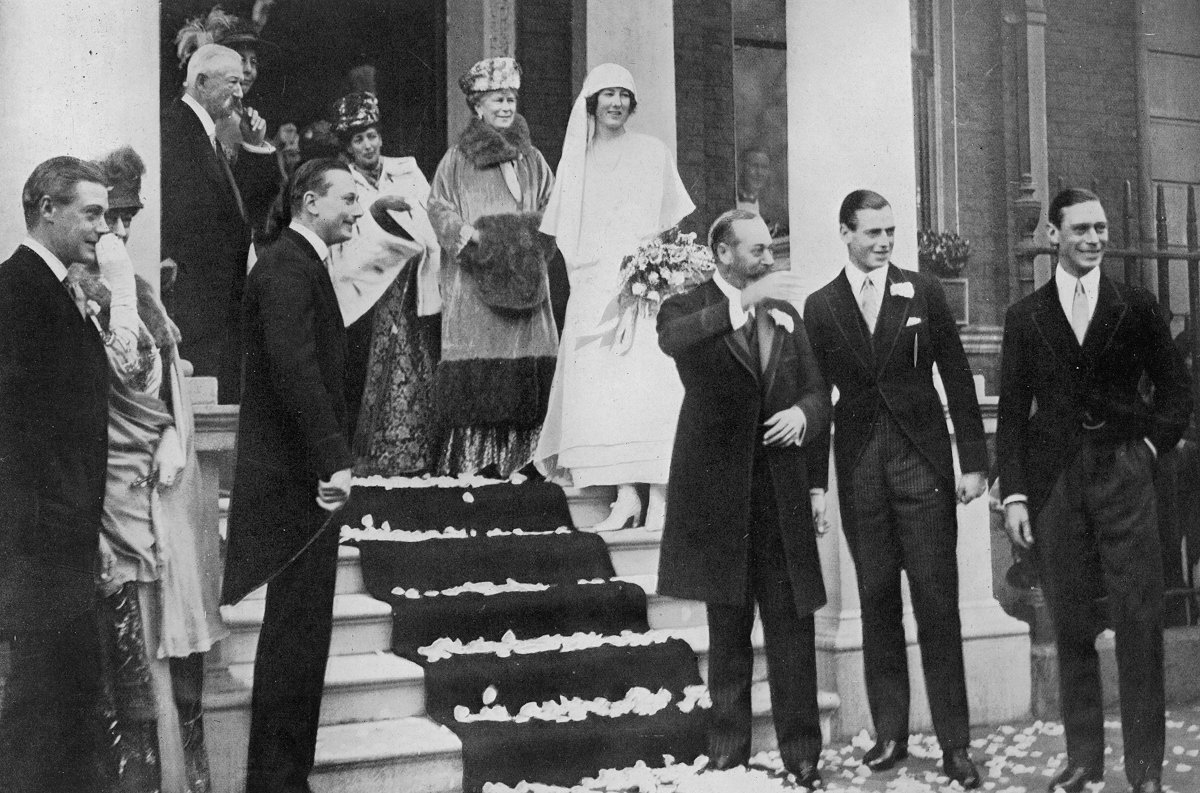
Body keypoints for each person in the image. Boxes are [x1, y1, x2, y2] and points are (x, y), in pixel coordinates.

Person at [997, 188, 1192, 793]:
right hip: (1057, 483)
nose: (1094, 239)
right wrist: (1017, 496)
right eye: (1080, 229)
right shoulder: (1025, 316)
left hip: (1124, 476)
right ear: (1053, 234)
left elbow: (1176, 393)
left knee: (1138, 624)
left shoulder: (1136, 307)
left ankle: (1144, 770)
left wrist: (1150, 452)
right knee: (1072, 622)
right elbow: (1010, 415)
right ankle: (1083, 760)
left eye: (1101, 229)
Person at [804, 189, 987, 789]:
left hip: (922, 461)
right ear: (845, 232)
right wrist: (816, 486)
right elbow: (815, 398)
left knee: (937, 602)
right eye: (873, 232)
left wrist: (972, 462)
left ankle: (956, 745)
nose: (884, 242)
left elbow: (956, 376)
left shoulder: (922, 290)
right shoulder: (822, 305)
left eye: (890, 231)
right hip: (859, 467)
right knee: (878, 600)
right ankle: (891, 735)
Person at [67, 145, 228, 792]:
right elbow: (120, 372)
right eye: (110, 219)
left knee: (173, 640)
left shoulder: (138, 291)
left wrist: (172, 434)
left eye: (128, 218)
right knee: (125, 649)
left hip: (163, 490)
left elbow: (164, 387)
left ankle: (184, 774)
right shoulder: (77, 293)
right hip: (111, 493)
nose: (121, 232)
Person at [657, 211, 830, 789]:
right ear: (723, 254)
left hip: (779, 498)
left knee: (792, 631)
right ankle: (729, 750)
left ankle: (802, 754)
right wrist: (742, 302)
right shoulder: (687, 307)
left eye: (770, 249)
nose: (768, 258)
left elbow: (818, 391)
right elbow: (675, 343)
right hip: (721, 501)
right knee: (727, 633)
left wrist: (802, 417)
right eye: (756, 250)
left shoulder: (785, 315)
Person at [220, 158, 362, 793]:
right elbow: (295, 370)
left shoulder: (299, 264)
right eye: (348, 200)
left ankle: (283, 777)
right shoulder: (286, 267)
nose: (358, 211)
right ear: (310, 202)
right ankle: (277, 781)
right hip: (299, 483)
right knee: (295, 639)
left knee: (302, 637)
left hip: (304, 479)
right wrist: (333, 457)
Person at [535, 62, 694, 530]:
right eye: (607, 94)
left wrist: (656, 271)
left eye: (624, 95)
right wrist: (595, 278)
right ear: (591, 101)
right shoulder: (577, 161)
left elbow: (670, 223)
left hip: (647, 285)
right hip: (596, 288)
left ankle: (662, 497)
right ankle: (626, 496)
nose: (616, 103)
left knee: (652, 385)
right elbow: (564, 233)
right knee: (607, 389)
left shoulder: (652, 151)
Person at [0, 156, 111, 792]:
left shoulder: (58, 288)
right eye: (91, 212)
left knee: (65, 707)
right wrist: (59, 521)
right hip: (38, 539)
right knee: (39, 712)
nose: (104, 227)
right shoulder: (15, 289)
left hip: (63, 534)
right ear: (48, 208)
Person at [428, 57, 558, 477]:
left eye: (511, 99)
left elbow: (554, 207)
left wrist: (533, 237)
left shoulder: (533, 159)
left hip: (528, 281)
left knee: (529, 361)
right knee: (480, 365)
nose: (505, 107)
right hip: (475, 284)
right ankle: (476, 461)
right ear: (477, 107)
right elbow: (438, 208)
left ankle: (528, 459)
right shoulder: (456, 160)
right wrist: (475, 240)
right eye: (497, 99)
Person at [329, 91, 443, 475]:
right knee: (364, 369)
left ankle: (420, 451)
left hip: (410, 286)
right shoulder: (341, 182)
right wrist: (379, 219)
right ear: (347, 147)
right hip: (364, 295)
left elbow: (430, 223)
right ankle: (370, 454)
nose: (368, 146)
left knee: (416, 360)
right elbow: (346, 245)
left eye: (372, 136)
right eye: (358, 139)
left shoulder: (407, 172)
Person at [161, 42, 275, 403]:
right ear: (202, 81)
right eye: (232, 83)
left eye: (241, 83)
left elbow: (244, 210)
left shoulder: (205, 131)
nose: (240, 93)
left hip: (218, 303)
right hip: (194, 302)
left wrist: (256, 146)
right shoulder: (174, 129)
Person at [174, 5, 283, 240]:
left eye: (253, 62)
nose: (248, 71)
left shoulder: (246, 122)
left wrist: (255, 146)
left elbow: (256, 209)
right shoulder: (190, 122)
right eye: (240, 60)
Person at [736, 147, 786, 237]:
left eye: (764, 167)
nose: (759, 172)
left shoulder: (772, 207)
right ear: (742, 168)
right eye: (754, 166)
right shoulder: (731, 201)